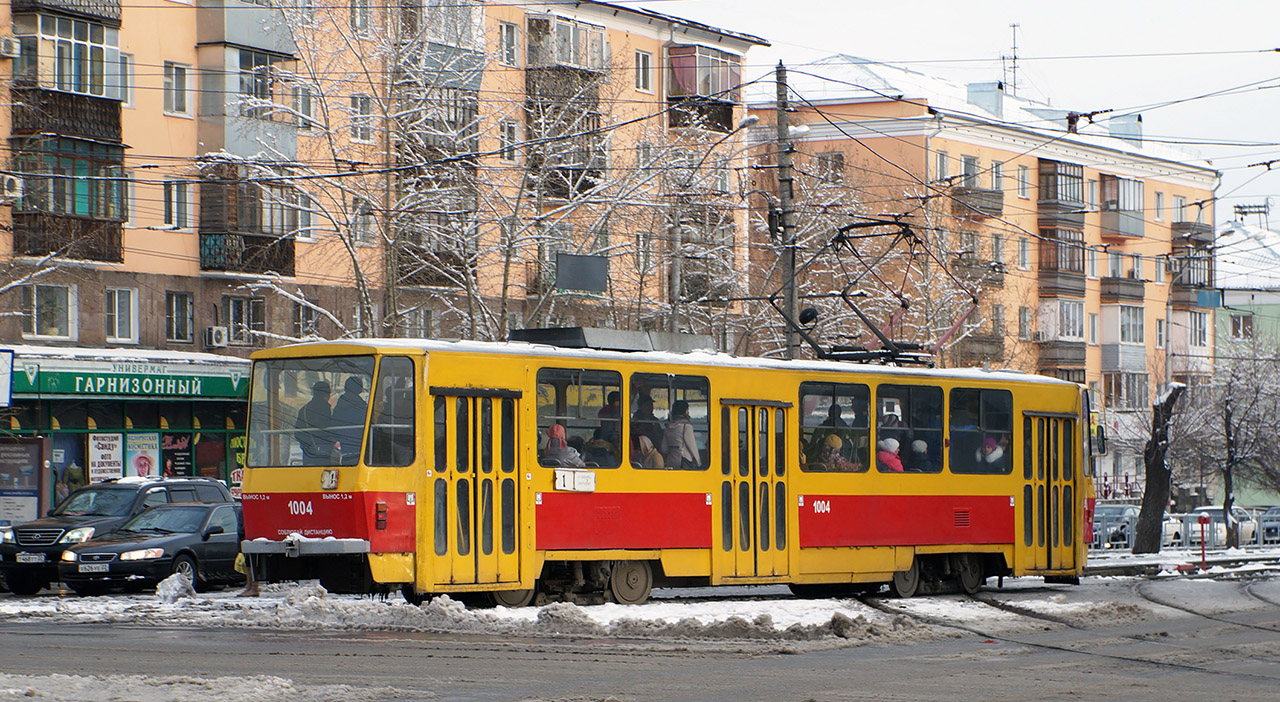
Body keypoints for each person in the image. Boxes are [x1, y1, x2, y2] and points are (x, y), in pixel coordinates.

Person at [295, 380, 335, 466]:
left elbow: (297, 433)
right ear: (327, 395)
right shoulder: (324, 408)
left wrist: (306, 444)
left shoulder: (304, 409)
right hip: (324, 450)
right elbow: (327, 428)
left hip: (308, 451)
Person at [330, 377, 369, 465]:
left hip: (344, 448)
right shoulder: (361, 407)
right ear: (359, 389)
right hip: (359, 446)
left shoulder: (339, 407)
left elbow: (334, 425)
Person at [660, 399, 700, 469]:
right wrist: (699, 462)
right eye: (687, 410)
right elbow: (692, 446)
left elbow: (664, 449)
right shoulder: (686, 426)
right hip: (684, 461)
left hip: (671, 461)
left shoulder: (668, 427)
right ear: (685, 411)